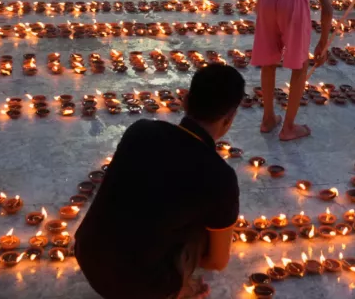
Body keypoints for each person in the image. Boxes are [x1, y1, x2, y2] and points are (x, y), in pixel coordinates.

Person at [75, 65, 244, 299]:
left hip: (89, 258)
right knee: (207, 231)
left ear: (185, 100)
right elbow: (218, 261)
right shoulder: (220, 176)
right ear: (229, 119)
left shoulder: (140, 130)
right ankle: (177, 288)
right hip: (142, 288)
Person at [252, 0, 332, 142]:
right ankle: (288, 127)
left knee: (268, 61)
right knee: (300, 65)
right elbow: (327, 8)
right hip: (294, 0)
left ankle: (268, 118)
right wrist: (323, 43)